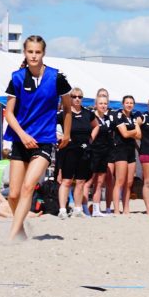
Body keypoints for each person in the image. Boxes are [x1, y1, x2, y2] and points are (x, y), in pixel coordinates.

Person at [4, 35, 72, 239]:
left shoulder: (56, 77)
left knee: (27, 187)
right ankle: (21, 230)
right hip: (20, 139)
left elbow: (68, 108)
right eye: (30, 51)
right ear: (25, 52)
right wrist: (23, 135)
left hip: (44, 139)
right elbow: (8, 113)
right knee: (14, 194)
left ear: (43, 53)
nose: (34, 55)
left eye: (37, 52)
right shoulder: (16, 77)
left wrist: (67, 134)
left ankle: (12, 237)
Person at [56, 87, 96, 219]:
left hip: (84, 149)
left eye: (80, 96)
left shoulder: (88, 113)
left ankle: (78, 209)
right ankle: (62, 209)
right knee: (66, 181)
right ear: (70, 98)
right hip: (68, 149)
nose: (77, 99)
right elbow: (51, 127)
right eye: (74, 96)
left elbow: (96, 126)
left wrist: (91, 139)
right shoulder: (64, 114)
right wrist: (59, 137)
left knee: (80, 181)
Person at [111, 96, 140, 215]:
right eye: (127, 103)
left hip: (130, 150)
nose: (129, 105)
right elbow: (125, 134)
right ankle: (117, 209)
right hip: (120, 150)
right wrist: (134, 130)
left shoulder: (133, 116)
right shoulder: (119, 115)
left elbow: (140, 136)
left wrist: (133, 132)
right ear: (123, 104)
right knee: (120, 181)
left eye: (131, 103)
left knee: (129, 182)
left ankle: (126, 208)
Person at [87, 94, 113, 216]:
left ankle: (96, 209)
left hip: (104, 153)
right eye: (101, 103)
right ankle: (84, 208)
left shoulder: (108, 118)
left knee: (100, 182)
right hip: (93, 153)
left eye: (105, 103)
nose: (103, 105)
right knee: (89, 182)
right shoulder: (91, 117)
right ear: (96, 105)